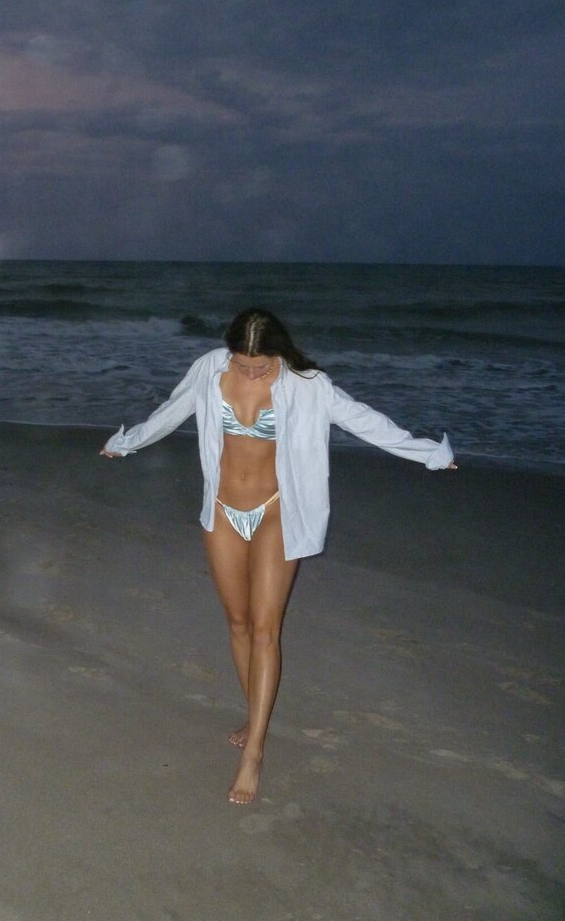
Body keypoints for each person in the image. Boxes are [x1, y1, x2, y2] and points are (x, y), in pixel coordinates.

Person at [100, 308, 456, 804]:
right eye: (242, 365)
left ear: (279, 355)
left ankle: (254, 753)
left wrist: (429, 453)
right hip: (222, 509)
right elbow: (172, 410)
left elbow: (365, 420)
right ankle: (254, 715)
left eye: (261, 367)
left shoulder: (309, 385)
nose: (250, 374)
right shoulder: (209, 369)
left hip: (276, 511)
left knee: (266, 629)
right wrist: (127, 442)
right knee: (238, 624)